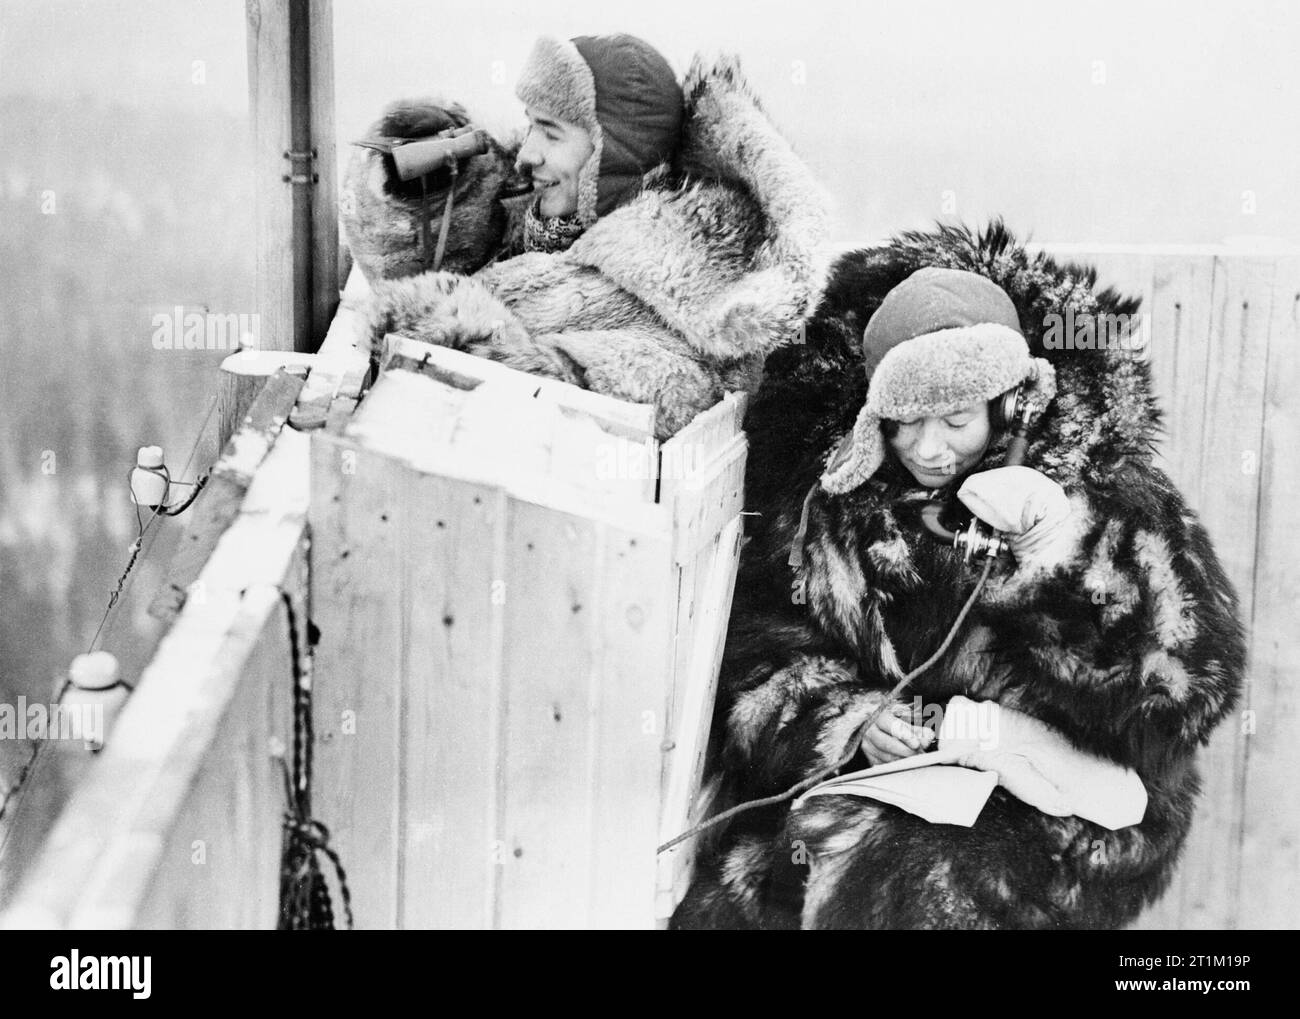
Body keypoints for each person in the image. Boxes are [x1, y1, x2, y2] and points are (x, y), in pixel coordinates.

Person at [671, 227, 1245, 929]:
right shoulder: (828, 510)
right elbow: (764, 658)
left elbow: (1185, 689)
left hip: (1066, 812)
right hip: (892, 786)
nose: (930, 448)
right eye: (905, 424)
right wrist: (856, 721)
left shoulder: (1107, 493)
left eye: (956, 418)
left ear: (1012, 405)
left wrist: (1055, 551)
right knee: (741, 903)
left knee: (895, 885)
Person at [354, 33, 829, 439]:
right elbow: (392, 262)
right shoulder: (546, 225)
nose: (527, 155)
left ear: (612, 154)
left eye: (551, 133)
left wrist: (444, 317)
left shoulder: (690, 293)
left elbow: (591, 398)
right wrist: (436, 190)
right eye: (529, 124)